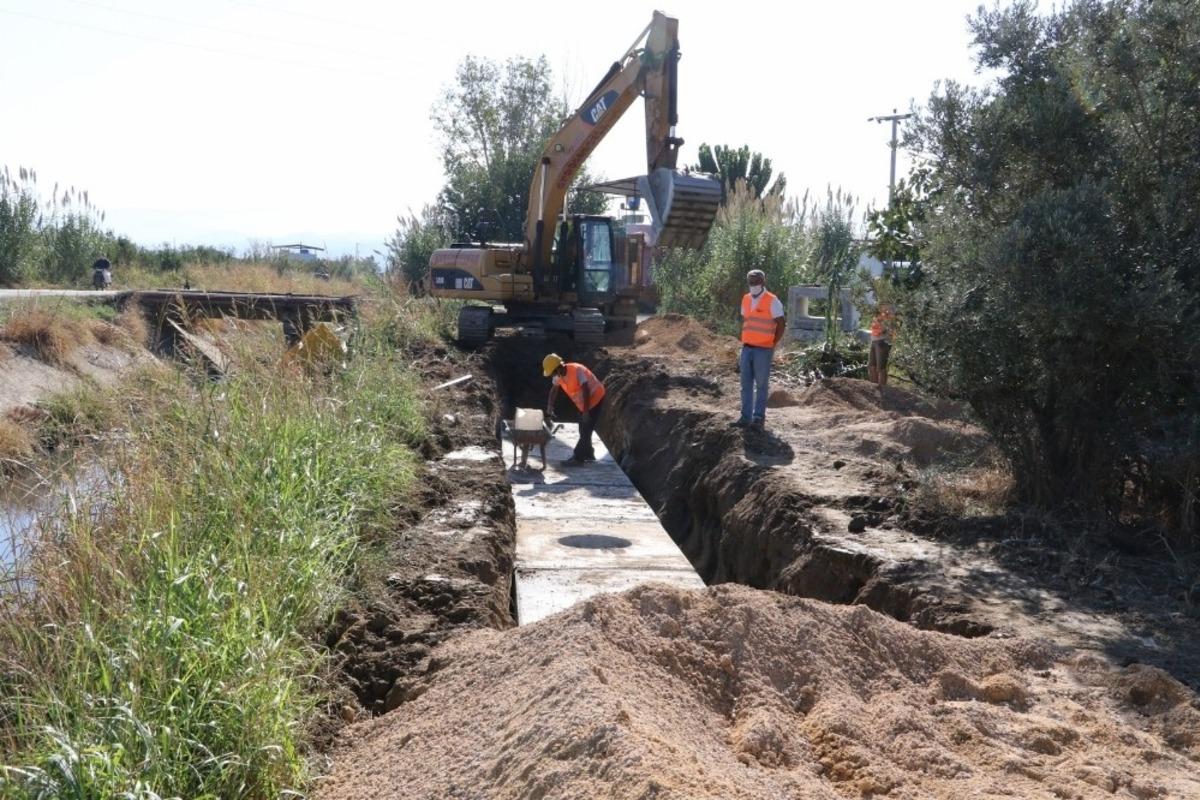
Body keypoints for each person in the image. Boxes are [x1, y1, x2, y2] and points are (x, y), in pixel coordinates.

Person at [734, 269, 786, 428]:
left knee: (761, 385)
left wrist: (773, 343)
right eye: (751, 281)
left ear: (763, 282)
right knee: (745, 385)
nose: (753, 284)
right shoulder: (746, 299)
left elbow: (781, 324)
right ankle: (745, 417)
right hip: (747, 348)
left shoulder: (772, 300)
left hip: (763, 350)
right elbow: (747, 321)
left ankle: (758, 417)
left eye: (756, 281)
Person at [544, 353, 606, 465]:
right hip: (583, 402)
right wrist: (549, 407)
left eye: (553, 372)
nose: (553, 375)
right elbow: (553, 391)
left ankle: (578, 457)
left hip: (595, 397)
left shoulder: (577, 370)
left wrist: (586, 412)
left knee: (586, 428)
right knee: (583, 428)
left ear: (558, 368)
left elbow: (586, 390)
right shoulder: (558, 375)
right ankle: (589, 453)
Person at [868, 302, 896, 386]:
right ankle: (873, 389)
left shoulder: (890, 307)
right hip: (874, 340)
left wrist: (883, 327)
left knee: (881, 368)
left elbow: (890, 326)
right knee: (872, 366)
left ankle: (882, 389)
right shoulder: (879, 309)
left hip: (883, 341)